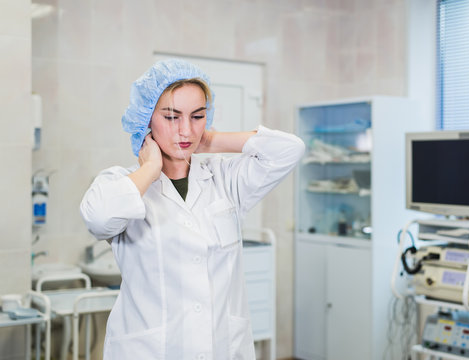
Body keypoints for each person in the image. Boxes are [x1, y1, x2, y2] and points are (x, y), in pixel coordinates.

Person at [80, 58, 305, 360]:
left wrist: (211, 141)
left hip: (220, 348)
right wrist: (151, 168)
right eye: (172, 117)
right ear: (147, 118)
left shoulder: (224, 179)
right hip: (152, 351)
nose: (186, 130)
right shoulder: (123, 183)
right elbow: (98, 218)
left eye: (197, 117)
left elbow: (290, 150)